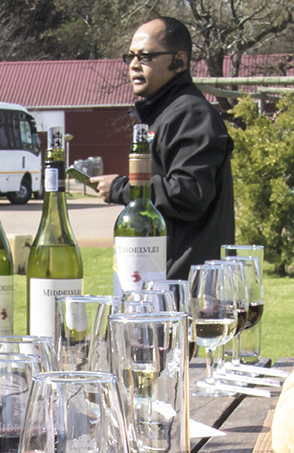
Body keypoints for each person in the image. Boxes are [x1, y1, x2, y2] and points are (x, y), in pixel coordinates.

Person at [90, 16, 235, 280]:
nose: (134, 65)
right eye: (130, 57)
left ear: (179, 60)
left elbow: (190, 192)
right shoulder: (165, 114)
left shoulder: (192, 114)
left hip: (188, 289)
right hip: (160, 283)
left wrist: (122, 188)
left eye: (145, 57)